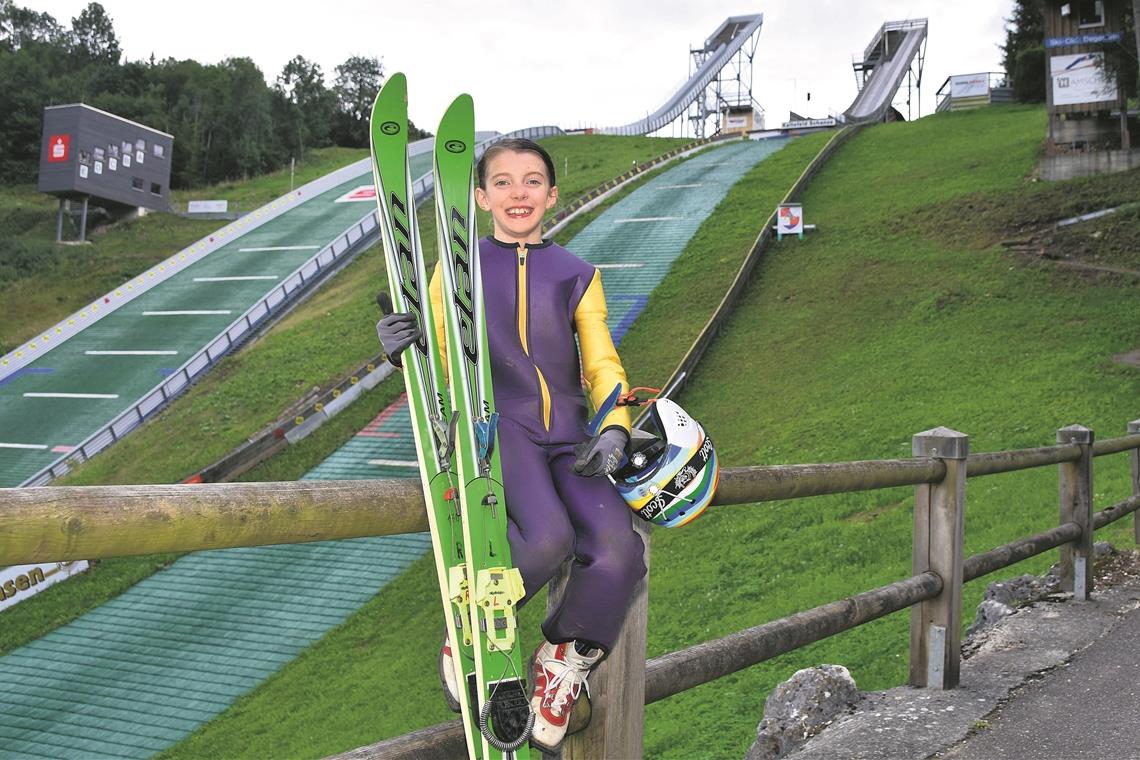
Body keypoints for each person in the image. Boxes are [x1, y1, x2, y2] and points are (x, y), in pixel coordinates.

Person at [377, 137, 646, 752]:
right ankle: (468, 625)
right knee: (548, 539)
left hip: (571, 435)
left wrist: (613, 426)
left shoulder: (578, 273)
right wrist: (404, 348)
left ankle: (562, 660)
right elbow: (444, 358)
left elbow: (602, 361)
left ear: (552, 195)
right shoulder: (462, 267)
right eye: (502, 182)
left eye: (531, 182)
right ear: (479, 197)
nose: (517, 193)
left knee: (619, 553)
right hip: (504, 428)